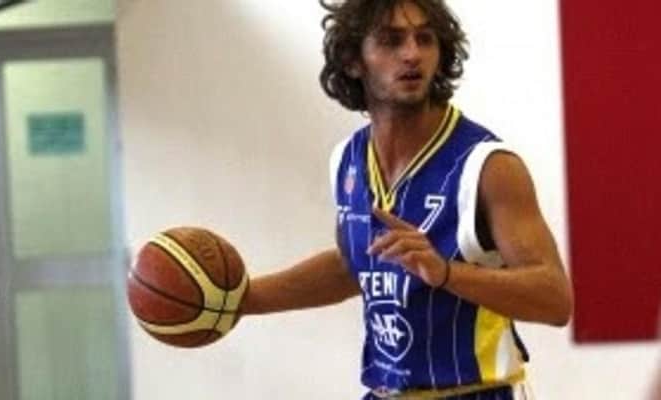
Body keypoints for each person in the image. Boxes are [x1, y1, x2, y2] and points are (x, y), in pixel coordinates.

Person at [243, 1, 573, 399]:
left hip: (477, 392)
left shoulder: (487, 166)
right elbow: (353, 264)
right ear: (352, 61)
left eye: (425, 39)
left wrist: (446, 272)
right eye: (391, 40)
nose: (412, 54)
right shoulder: (347, 160)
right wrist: (242, 300)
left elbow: (555, 299)